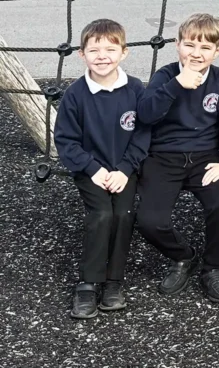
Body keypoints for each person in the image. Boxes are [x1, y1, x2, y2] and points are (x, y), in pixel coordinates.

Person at [135, 13, 219, 303]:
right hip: (164, 156)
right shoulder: (166, 75)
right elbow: (145, 115)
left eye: (205, 47)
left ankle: (213, 267)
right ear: (177, 44)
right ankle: (184, 256)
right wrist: (177, 85)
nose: (196, 53)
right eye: (190, 45)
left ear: (217, 51)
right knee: (149, 220)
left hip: (205, 157)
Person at [55, 19, 150, 319]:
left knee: (122, 215)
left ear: (124, 53)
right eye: (94, 49)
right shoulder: (75, 94)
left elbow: (143, 134)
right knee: (102, 214)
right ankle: (87, 283)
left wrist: (124, 169)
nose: (102, 55)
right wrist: (93, 169)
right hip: (91, 170)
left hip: (125, 171)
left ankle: (113, 281)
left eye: (110, 48)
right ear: (82, 55)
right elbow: (66, 141)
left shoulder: (135, 89)